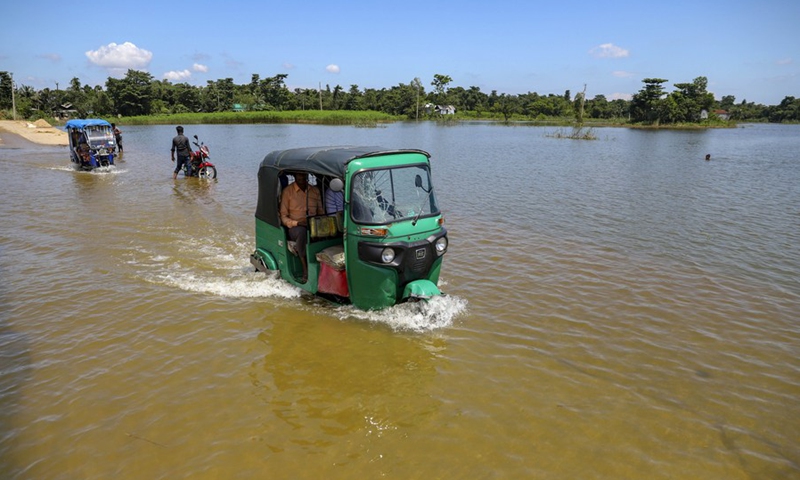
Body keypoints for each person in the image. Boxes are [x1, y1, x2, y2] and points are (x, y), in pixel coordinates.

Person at [280, 172, 324, 282]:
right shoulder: (288, 192)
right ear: (294, 176)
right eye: (299, 175)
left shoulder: (315, 191)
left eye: (304, 175)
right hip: (295, 228)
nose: (302, 177)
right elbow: (283, 217)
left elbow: (321, 212)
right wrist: (297, 223)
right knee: (302, 232)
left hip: (313, 224)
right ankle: (305, 268)